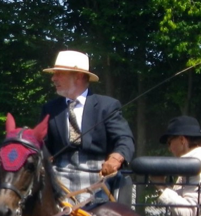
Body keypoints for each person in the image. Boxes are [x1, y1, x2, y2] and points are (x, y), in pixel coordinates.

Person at [40, 50, 135, 203]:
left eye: (59, 73)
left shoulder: (107, 106)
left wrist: (116, 158)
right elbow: (42, 144)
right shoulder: (50, 108)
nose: (53, 78)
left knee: (96, 212)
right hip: (59, 175)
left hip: (98, 174)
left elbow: (124, 139)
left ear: (78, 76)